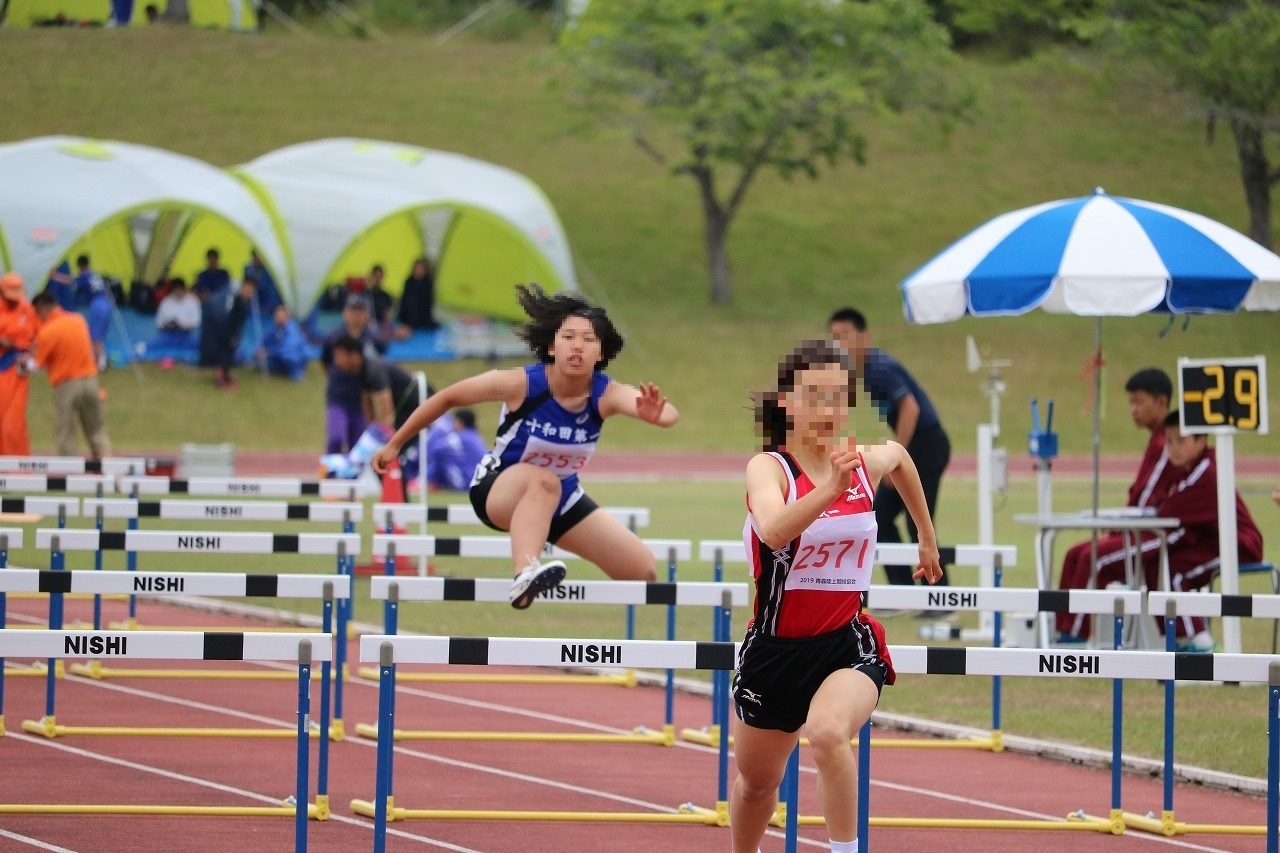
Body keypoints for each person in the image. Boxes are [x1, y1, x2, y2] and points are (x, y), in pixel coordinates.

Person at [729, 340, 941, 853]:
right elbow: (775, 530)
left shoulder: (863, 463)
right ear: (787, 404)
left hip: (845, 645)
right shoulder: (771, 469)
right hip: (774, 652)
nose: (829, 409)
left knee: (826, 733)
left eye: (839, 396)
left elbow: (902, 458)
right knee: (758, 783)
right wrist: (828, 489)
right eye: (815, 396)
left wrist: (925, 535)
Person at [370, 283, 679, 609]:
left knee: (642, 570)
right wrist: (394, 445)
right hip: (498, 490)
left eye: (588, 340)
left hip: (560, 496)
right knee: (542, 480)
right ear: (551, 347)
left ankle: (536, 529)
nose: (578, 347)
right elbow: (448, 397)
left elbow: (668, 413)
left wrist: (657, 415)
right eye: (569, 338)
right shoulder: (523, 383)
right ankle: (525, 574)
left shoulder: (606, 394)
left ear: (600, 353)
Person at [1061, 411, 1264, 652]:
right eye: (1169, 441)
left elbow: (1167, 512)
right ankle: (1178, 641)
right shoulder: (1186, 470)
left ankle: (1199, 644)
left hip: (1238, 545)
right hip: (1206, 541)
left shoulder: (1205, 473)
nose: (1174, 448)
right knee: (1158, 565)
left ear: (1201, 442)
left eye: (1181, 440)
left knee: (1173, 571)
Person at [828, 307, 951, 617]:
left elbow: (910, 409)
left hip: (926, 446)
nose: (839, 343)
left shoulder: (880, 366)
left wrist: (896, 457)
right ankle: (902, 595)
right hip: (918, 446)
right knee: (879, 515)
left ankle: (941, 600)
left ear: (863, 337)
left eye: (844, 335)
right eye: (834, 337)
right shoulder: (867, 370)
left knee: (917, 522)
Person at [1055, 368, 1183, 643]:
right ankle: (1061, 631)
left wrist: (1118, 525)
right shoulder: (1155, 440)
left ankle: (1074, 638)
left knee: (1093, 559)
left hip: (1152, 532)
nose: (1132, 410)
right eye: (1130, 403)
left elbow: (1147, 498)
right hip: (1138, 526)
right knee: (1074, 554)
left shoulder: (1165, 443)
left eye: (1138, 402)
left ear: (1161, 403)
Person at [26, 292, 111, 459]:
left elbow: (36, 365)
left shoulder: (47, 331)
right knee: (96, 428)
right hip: (91, 380)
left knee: (65, 430)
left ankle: (70, 471)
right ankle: (106, 465)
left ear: (42, 310)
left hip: (67, 385)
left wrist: (24, 361)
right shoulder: (78, 320)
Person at [320, 295, 387, 453]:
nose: (355, 316)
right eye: (352, 311)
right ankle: (330, 473)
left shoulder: (373, 338)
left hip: (361, 398)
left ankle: (353, 476)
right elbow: (325, 362)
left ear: (366, 315)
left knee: (358, 444)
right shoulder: (334, 337)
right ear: (345, 313)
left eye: (360, 312)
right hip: (338, 396)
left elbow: (380, 362)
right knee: (336, 438)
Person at [0, 272, 38, 455]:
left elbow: (38, 337)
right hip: (2, 364)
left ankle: (18, 466)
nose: (14, 301)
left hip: (17, 370)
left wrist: (30, 354)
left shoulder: (27, 309)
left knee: (13, 420)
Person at [199, 278, 253, 389]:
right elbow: (221, 314)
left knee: (229, 350)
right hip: (217, 325)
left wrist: (235, 335)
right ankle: (220, 379)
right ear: (242, 287)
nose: (249, 293)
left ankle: (226, 376)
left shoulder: (242, 302)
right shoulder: (229, 296)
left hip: (229, 328)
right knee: (220, 350)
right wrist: (228, 335)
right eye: (247, 290)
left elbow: (238, 321)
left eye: (251, 291)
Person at [426, 407, 488, 492]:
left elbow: (437, 448)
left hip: (467, 481)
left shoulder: (462, 437)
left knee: (441, 457)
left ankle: (430, 483)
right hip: (479, 477)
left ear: (461, 422)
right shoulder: (474, 436)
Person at [73, 254, 113, 372]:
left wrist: (55, 276)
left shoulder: (84, 276)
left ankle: (101, 362)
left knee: (95, 335)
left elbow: (70, 281)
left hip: (97, 304)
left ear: (79, 266)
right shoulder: (95, 275)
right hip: (107, 302)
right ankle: (100, 359)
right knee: (99, 333)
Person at [256, 304, 310, 381]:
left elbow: (287, 348)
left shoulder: (292, 330)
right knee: (260, 358)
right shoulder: (275, 327)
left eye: (280, 316)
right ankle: (280, 368)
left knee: (287, 356)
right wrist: (259, 348)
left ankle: (298, 371)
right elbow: (265, 339)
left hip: (297, 356)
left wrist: (268, 352)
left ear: (287, 317)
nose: (277, 318)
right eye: (276, 316)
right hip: (279, 354)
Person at [397, 256, 438, 331]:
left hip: (423, 316)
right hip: (408, 315)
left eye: (421, 268)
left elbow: (428, 302)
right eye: (417, 268)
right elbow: (406, 301)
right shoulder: (409, 282)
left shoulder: (427, 283)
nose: (419, 270)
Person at [242, 248, 282, 316]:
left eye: (258, 257)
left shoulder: (270, 271)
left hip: (267, 304)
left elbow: (271, 291)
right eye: (255, 257)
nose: (256, 260)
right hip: (252, 305)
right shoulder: (248, 269)